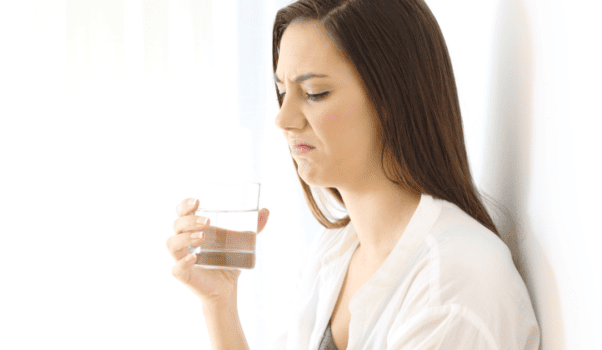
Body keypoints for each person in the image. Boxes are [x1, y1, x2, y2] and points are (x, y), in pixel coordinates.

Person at [166, 0, 540, 348]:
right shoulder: (336, 252)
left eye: (314, 92)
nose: (282, 119)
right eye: (282, 91)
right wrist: (219, 303)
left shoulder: (456, 284)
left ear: (393, 97)